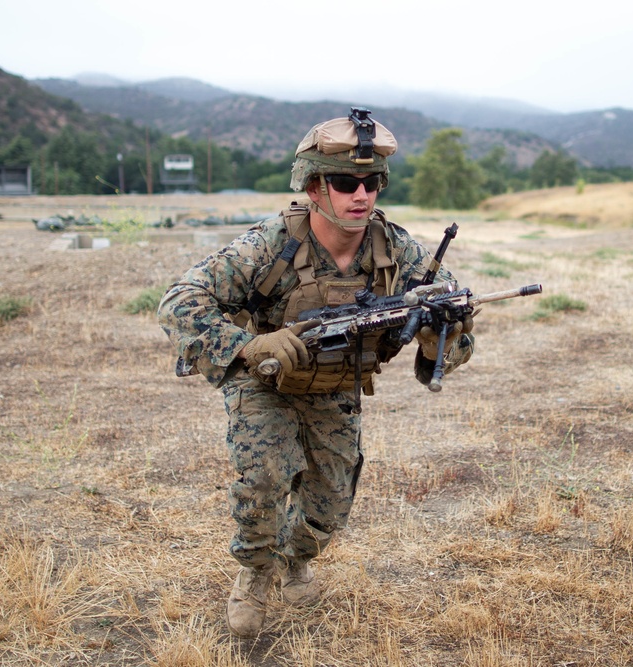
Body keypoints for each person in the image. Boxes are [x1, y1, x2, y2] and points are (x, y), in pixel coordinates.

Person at [157, 108, 474, 637]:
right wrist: (250, 343)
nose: (362, 195)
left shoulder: (397, 250)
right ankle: (256, 572)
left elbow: (455, 338)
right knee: (264, 477)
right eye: (346, 182)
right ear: (312, 186)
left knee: (329, 505)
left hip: (336, 387)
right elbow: (180, 300)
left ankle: (296, 557)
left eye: (373, 183)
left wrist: (435, 337)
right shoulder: (270, 245)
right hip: (267, 382)